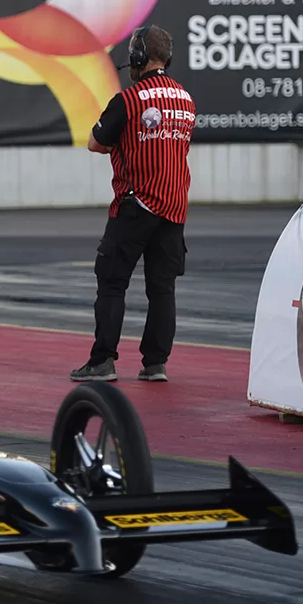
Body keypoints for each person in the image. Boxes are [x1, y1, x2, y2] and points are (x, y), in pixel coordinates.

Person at [70, 26, 194, 384]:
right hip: (174, 206)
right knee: (162, 287)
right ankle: (156, 363)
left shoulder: (128, 100)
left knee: (111, 280)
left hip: (136, 202)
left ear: (139, 58)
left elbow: (96, 143)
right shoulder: (187, 100)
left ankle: (103, 360)